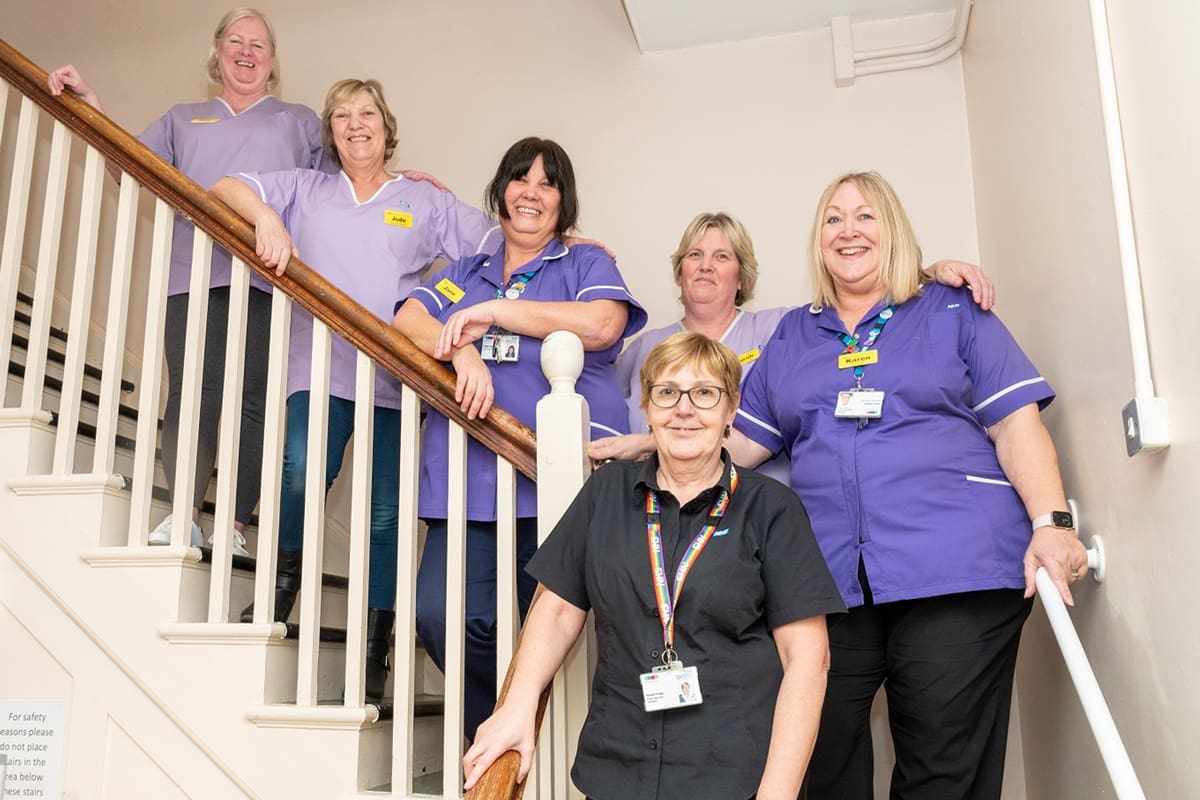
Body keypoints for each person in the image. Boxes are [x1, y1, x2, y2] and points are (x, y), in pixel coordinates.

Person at [726, 172, 1089, 798]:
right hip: (830, 581)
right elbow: (740, 446)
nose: (848, 230)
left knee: (939, 770)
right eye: (833, 219)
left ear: (892, 230)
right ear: (818, 241)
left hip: (956, 568)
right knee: (816, 752)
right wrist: (655, 440)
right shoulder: (793, 334)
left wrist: (1052, 525)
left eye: (865, 216)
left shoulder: (952, 311)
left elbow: (1015, 424)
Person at [211, 78, 497, 704]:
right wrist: (266, 218)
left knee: (386, 516)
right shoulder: (306, 189)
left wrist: (567, 246)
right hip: (316, 367)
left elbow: (499, 248)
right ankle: (279, 593)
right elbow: (225, 188)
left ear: (386, 126)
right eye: (341, 115)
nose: (354, 123)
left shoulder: (421, 198)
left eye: (366, 112)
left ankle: (374, 653)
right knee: (297, 469)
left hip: (396, 381)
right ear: (330, 130)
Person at [462, 332, 846, 800]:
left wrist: (778, 792)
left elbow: (808, 660)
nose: (684, 408)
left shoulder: (772, 509)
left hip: (734, 777)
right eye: (666, 392)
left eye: (705, 393)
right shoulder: (606, 493)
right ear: (647, 407)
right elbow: (557, 607)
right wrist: (518, 706)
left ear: (731, 410)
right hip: (617, 768)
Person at [47, 8, 334, 555]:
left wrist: (401, 180)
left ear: (273, 61)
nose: (247, 52)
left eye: (259, 45)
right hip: (193, 276)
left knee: (251, 401)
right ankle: (183, 513)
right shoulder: (184, 118)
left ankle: (233, 525)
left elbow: (336, 193)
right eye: (235, 41)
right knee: (191, 394)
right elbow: (127, 163)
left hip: (268, 283)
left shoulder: (299, 122)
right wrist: (90, 105)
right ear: (217, 51)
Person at [391, 136, 646, 739]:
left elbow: (604, 324)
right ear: (500, 191)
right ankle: (501, 736)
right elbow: (407, 318)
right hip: (469, 481)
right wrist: (461, 351)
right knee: (441, 617)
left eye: (547, 182)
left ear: (564, 201)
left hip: (558, 485)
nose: (531, 192)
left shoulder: (584, 264)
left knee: (557, 627)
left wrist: (500, 313)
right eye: (520, 178)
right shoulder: (465, 273)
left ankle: (521, 741)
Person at [589, 211, 996, 483]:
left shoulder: (784, 328)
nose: (706, 265)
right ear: (680, 273)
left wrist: (927, 273)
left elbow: (859, 299)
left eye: (721, 256)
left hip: (760, 509)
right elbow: (598, 408)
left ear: (742, 276)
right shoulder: (643, 350)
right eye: (694, 255)